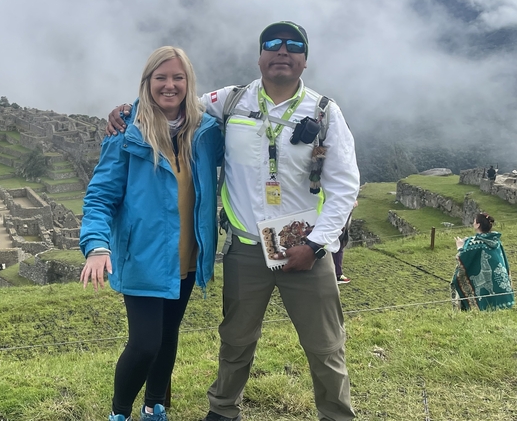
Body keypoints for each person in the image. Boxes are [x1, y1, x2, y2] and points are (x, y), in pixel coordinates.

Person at [108, 21, 359, 421]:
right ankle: (223, 411)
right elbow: (172, 102)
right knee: (236, 340)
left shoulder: (325, 112)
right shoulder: (231, 100)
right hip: (245, 248)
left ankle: (337, 416)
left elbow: (345, 186)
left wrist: (314, 246)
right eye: (272, 44)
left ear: (304, 60)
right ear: (259, 56)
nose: (282, 51)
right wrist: (127, 110)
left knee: (325, 346)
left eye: (293, 46)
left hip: (305, 250)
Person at [80, 46, 223, 421]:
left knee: (168, 335)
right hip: (143, 258)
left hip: (188, 256)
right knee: (145, 344)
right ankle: (119, 413)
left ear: (189, 83)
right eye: (161, 77)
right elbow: (100, 196)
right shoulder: (128, 133)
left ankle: (154, 406)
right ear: (147, 83)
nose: (170, 85)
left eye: (178, 77)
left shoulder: (206, 132)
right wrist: (96, 245)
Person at [452, 213, 514, 311]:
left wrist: (460, 247)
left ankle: (478, 306)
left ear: (478, 225)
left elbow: (463, 259)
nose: (473, 223)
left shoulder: (474, 242)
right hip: (502, 293)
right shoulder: (496, 241)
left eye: (474, 221)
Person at [334, 200, 358, 285]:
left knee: (339, 245)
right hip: (337, 219)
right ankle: (337, 275)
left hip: (341, 217)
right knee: (338, 246)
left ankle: (337, 273)